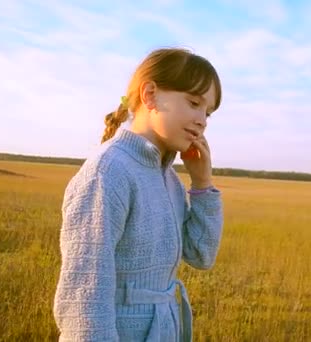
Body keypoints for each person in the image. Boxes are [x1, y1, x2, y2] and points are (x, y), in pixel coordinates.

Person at [53, 47, 224, 342]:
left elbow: (202, 255)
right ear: (150, 94)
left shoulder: (168, 177)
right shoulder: (108, 172)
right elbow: (84, 295)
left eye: (207, 112)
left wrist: (202, 183)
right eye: (194, 102)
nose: (202, 120)